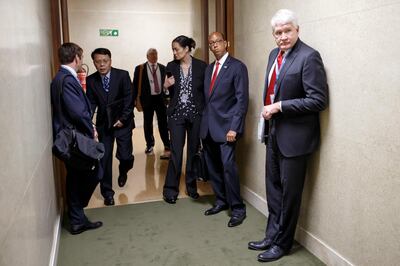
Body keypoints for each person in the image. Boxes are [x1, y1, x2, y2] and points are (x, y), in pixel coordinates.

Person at [248, 9, 328, 262]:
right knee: (273, 190)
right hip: (273, 135)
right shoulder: (274, 55)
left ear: (297, 30)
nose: (282, 36)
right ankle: (271, 235)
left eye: (287, 31)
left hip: (296, 141)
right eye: (278, 32)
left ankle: (282, 244)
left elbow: (318, 100)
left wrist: (281, 106)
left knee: (289, 195)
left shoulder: (309, 56)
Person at [50, 42, 103, 234]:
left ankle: (77, 219)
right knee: (95, 171)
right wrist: (92, 131)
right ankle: (77, 212)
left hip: (67, 137)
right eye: (82, 58)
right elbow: (78, 112)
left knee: (74, 178)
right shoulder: (67, 79)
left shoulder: (59, 78)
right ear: (77, 58)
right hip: (74, 138)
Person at [200, 32, 249, 227]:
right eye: (211, 43)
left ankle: (237, 208)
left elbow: (242, 100)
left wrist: (234, 128)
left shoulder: (237, 67)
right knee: (213, 167)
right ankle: (221, 200)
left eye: (218, 42)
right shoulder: (209, 69)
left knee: (228, 168)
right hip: (209, 128)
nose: (214, 46)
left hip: (227, 129)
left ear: (226, 43)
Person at [86, 48, 135, 206]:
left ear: (110, 61)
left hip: (123, 122)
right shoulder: (91, 80)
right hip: (104, 125)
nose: (101, 65)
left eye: (105, 61)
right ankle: (107, 193)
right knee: (105, 159)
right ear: (94, 62)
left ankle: (123, 170)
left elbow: (129, 98)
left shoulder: (122, 75)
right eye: (98, 61)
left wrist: (123, 118)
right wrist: (87, 118)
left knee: (126, 156)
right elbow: (92, 102)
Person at [162, 35, 207, 204]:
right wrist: (165, 88)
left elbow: (206, 93)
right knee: (176, 153)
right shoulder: (171, 66)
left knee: (193, 152)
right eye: (173, 49)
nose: (174, 52)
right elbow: (166, 95)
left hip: (196, 115)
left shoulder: (202, 67)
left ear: (187, 49)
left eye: (177, 49)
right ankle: (170, 190)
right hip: (177, 115)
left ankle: (191, 187)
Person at [133, 48, 170, 159]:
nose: (154, 56)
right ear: (147, 56)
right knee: (147, 123)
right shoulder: (140, 68)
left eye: (156, 54)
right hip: (147, 99)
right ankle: (149, 145)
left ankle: (167, 144)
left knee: (163, 122)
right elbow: (135, 85)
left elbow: (167, 83)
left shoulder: (163, 68)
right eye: (152, 54)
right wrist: (134, 100)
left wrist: (168, 96)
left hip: (160, 99)